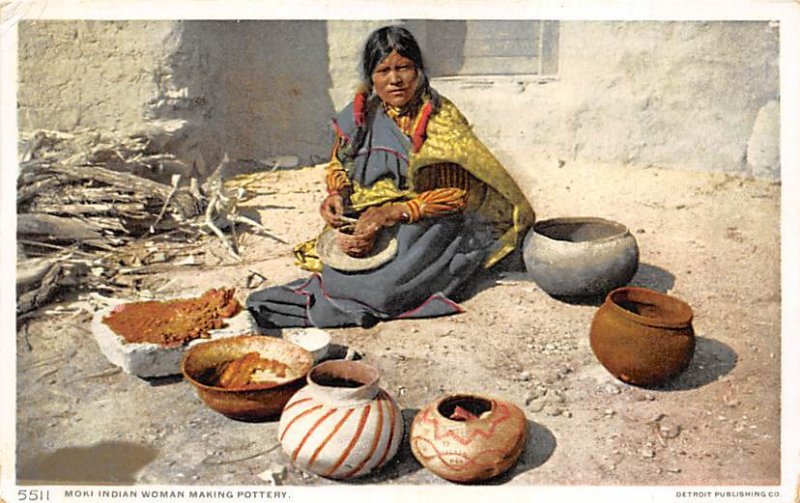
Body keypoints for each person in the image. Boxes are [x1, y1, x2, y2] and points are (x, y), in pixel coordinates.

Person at [247, 25, 534, 329]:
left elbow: (456, 196)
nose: (395, 79)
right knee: (342, 266)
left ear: (419, 71)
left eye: (404, 68)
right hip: (375, 214)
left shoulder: (439, 118)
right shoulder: (364, 115)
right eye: (383, 70)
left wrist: (393, 212)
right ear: (371, 77)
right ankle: (326, 297)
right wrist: (336, 195)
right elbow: (340, 165)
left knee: (383, 290)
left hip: (433, 221)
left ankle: (329, 304)